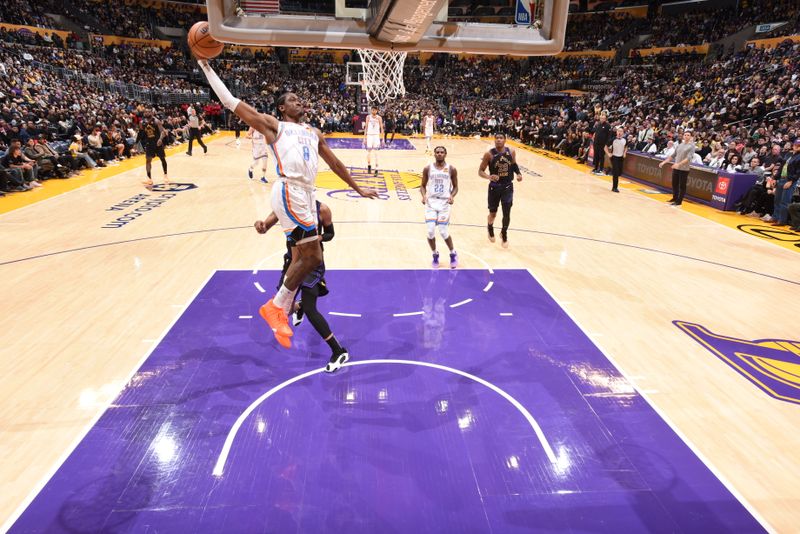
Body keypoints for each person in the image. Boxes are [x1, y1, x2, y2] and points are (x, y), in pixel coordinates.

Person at [196, 58, 377, 349]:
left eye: (299, 99)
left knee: (303, 258)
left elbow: (335, 163)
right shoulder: (273, 126)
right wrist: (206, 67)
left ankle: (280, 306)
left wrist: (358, 188)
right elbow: (230, 101)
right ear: (281, 108)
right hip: (289, 189)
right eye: (292, 99)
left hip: (305, 193)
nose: (299, 101)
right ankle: (277, 306)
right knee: (314, 258)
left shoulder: (313, 133)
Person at [255, 201, 350, 372]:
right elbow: (268, 224)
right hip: (293, 260)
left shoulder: (323, 210)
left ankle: (338, 351)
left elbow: (330, 234)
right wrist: (262, 226)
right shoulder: (286, 206)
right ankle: (299, 307)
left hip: (312, 263)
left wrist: (319, 238)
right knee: (286, 309)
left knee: (311, 309)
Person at [479, 132, 523, 247]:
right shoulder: (489, 154)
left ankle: (504, 233)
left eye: (501, 138)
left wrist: (518, 174)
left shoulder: (511, 151)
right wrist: (489, 177)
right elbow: (480, 171)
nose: (499, 140)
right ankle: (490, 227)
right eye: (497, 138)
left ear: (505, 140)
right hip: (494, 187)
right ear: (494, 140)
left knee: (507, 213)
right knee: (493, 214)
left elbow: (513, 164)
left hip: (507, 187)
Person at [420, 146, 458, 268]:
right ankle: (435, 254)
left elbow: (456, 187)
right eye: (437, 152)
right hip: (431, 203)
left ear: (445, 154)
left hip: (444, 203)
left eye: (442, 152)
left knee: (443, 231)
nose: (439, 154)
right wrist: (424, 195)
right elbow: (422, 186)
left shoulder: (451, 168)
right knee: (430, 231)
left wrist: (452, 195)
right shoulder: (428, 168)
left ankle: (453, 253)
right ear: (434, 154)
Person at [659, 131, 696, 207]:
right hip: (676, 168)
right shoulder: (679, 145)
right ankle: (674, 198)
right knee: (674, 184)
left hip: (684, 169)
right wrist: (664, 162)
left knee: (682, 186)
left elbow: (688, 158)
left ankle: (679, 202)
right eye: (685, 135)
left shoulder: (692, 146)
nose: (686, 136)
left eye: (688, 135)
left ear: (691, 137)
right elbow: (673, 155)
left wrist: (678, 164)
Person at [770, 139, 800, 227]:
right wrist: (775, 178)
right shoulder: (788, 154)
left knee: (784, 201)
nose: (796, 146)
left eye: (798, 145)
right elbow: (781, 167)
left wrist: (791, 181)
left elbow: (798, 172)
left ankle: (782, 220)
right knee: (777, 199)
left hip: (789, 180)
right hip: (781, 178)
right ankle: (775, 217)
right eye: (796, 144)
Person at [136, 110, 168, 188]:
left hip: (157, 143)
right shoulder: (142, 123)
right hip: (149, 144)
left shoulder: (157, 121)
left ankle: (165, 175)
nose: (146, 113)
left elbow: (162, 132)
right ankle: (149, 178)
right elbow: (140, 133)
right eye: (145, 112)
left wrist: (160, 139)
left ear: (152, 113)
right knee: (148, 160)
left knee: (162, 159)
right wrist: (136, 142)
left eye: (148, 112)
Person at [605, 127, 626, 193]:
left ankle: (610, 169)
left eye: (621, 131)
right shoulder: (613, 139)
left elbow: (626, 146)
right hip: (614, 157)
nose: (619, 132)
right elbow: (605, 147)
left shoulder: (625, 140)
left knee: (619, 173)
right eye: (618, 131)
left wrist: (625, 153)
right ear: (616, 132)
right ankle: (614, 187)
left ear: (623, 133)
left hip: (621, 158)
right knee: (616, 173)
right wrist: (608, 154)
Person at [364, 106, 383, 176]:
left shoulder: (379, 118)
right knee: (369, 152)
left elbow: (381, 128)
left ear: (377, 111)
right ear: (371, 110)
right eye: (372, 110)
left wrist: (383, 139)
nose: (373, 111)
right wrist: (364, 138)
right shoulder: (368, 117)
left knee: (376, 153)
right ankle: (369, 165)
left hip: (376, 136)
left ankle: (376, 169)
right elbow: (366, 127)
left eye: (375, 110)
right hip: (369, 135)